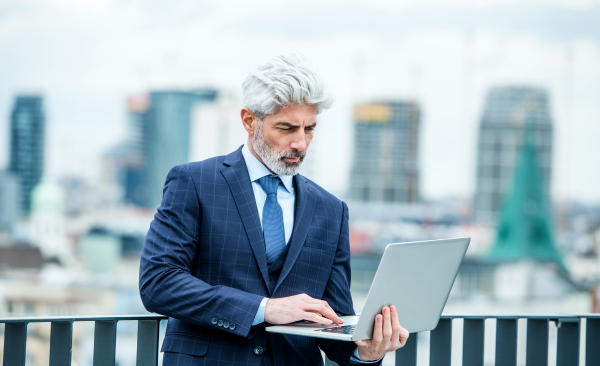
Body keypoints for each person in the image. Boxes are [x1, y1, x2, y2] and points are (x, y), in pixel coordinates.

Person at [139, 54, 409, 366]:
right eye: (287, 127)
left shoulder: (331, 210)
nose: (301, 143)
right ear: (249, 120)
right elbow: (159, 283)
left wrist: (365, 351)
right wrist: (264, 309)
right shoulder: (194, 182)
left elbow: (334, 321)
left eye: (309, 129)